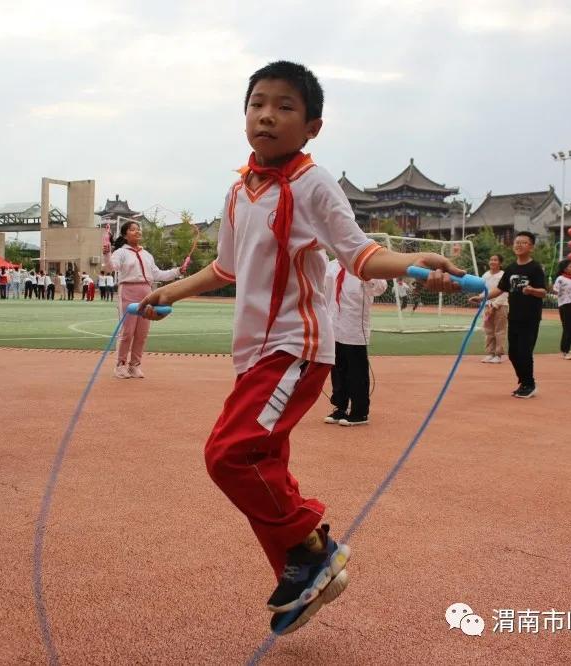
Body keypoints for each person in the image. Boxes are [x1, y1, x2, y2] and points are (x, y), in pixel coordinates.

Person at [137, 61, 465, 635]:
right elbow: (226, 267)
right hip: (254, 356)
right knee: (263, 465)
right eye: (257, 102)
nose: (267, 114)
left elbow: (359, 254)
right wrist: (172, 292)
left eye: (285, 106)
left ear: (312, 126)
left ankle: (315, 547)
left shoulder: (315, 184)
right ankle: (306, 575)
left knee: (229, 455)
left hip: (297, 349)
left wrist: (416, 266)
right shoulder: (240, 189)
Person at [469, 231, 546, 398]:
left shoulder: (535, 268)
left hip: (530, 317)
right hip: (515, 316)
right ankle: (524, 382)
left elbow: (543, 292)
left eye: (523, 242)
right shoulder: (510, 269)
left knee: (525, 352)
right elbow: (500, 289)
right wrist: (482, 297)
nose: (518, 245)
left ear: (531, 247)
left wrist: (532, 290)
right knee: (513, 354)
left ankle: (529, 384)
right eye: (516, 242)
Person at [103, 222, 184, 377]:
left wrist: (177, 271)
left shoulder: (147, 254)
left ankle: (134, 365)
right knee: (127, 331)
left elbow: (158, 274)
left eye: (138, 229)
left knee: (142, 332)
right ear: (125, 235)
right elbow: (110, 267)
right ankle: (120, 365)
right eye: (133, 229)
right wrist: (106, 253)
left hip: (147, 292)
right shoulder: (121, 252)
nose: (137, 231)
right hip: (128, 290)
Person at [322, 257, 387, 426]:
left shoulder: (365, 265)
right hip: (334, 325)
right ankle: (340, 407)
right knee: (337, 370)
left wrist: (367, 276)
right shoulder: (332, 266)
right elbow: (325, 294)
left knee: (356, 372)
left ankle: (359, 412)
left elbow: (381, 287)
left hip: (355, 328)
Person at [480, 254, 508, 363]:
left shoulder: (503, 275)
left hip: (501, 305)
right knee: (488, 330)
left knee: (499, 330)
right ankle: (490, 353)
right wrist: (486, 304)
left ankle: (498, 355)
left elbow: (505, 292)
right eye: (491, 259)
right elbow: (483, 290)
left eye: (495, 260)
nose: (492, 262)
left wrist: (495, 305)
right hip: (487, 306)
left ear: (500, 263)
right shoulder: (485, 275)